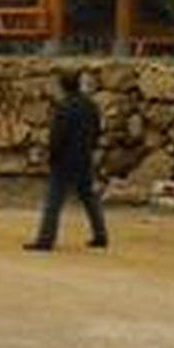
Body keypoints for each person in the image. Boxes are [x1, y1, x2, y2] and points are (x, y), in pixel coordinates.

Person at [24, 70, 108, 251]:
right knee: (89, 197)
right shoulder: (90, 105)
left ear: (62, 86)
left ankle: (46, 239)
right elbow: (97, 130)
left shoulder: (63, 107)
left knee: (54, 200)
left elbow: (57, 138)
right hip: (84, 157)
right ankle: (100, 235)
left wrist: (50, 156)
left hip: (64, 160)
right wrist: (90, 148)